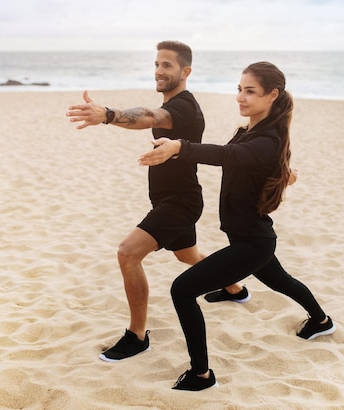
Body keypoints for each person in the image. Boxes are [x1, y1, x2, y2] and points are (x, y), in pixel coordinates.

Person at [139, 61, 336, 391]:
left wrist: (180, 147)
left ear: (272, 95)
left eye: (250, 91)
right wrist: (284, 174)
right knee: (281, 281)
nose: (241, 97)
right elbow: (246, 159)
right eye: (239, 89)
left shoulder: (266, 139)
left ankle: (201, 376)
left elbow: (229, 156)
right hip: (250, 237)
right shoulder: (252, 132)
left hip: (252, 243)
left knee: (182, 290)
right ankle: (321, 321)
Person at [66, 40, 247, 362]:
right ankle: (235, 287)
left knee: (127, 253)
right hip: (174, 199)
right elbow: (152, 115)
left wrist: (107, 114)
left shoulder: (183, 107)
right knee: (186, 255)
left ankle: (136, 336)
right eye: (157, 64)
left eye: (167, 65)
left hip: (180, 202)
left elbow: (149, 115)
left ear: (185, 71)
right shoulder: (179, 105)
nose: (159, 71)